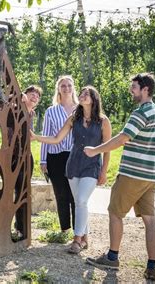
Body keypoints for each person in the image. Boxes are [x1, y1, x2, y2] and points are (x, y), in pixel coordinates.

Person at [84, 73, 155, 281]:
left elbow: (122, 138)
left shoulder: (142, 111)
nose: (131, 90)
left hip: (132, 174)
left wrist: (95, 150)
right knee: (150, 220)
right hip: (150, 176)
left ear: (145, 89)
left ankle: (112, 257)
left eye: (134, 86)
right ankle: (152, 266)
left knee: (114, 213)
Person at [32, 86, 111, 253]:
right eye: (81, 94)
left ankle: (76, 240)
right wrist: (36, 137)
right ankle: (85, 238)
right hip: (73, 164)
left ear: (94, 99)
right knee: (80, 202)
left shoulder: (104, 121)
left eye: (86, 94)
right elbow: (56, 138)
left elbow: (107, 149)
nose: (82, 96)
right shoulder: (73, 118)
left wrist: (104, 171)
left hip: (91, 166)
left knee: (81, 200)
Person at [39, 75, 78, 234]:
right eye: (63, 85)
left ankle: (78, 230)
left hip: (75, 156)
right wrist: (43, 160)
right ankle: (65, 229)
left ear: (73, 88)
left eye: (69, 85)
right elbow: (46, 135)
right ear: (58, 89)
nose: (66, 88)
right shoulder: (51, 111)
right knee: (61, 194)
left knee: (75, 195)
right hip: (55, 156)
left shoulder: (80, 109)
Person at [13, 85, 42, 238]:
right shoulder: (16, 107)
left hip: (26, 155)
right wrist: (19, 95)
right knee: (14, 190)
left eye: (37, 96)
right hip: (12, 155)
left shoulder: (32, 113)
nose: (35, 97)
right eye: (32, 94)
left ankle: (21, 228)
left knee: (23, 191)